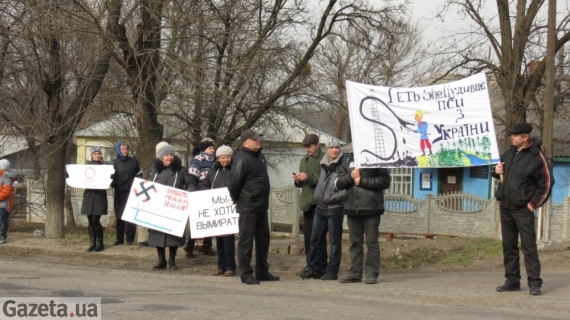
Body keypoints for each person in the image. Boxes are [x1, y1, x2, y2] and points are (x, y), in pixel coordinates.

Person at [492, 123, 553, 296]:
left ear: (525, 138)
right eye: (511, 135)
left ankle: (534, 283)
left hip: (523, 210)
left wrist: (532, 204)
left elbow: (546, 183)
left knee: (528, 246)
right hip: (505, 207)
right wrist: (495, 171)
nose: (511, 137)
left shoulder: (536, 157)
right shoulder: (509, 153)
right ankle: (512, 281)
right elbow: (498, 171)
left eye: (515, 135)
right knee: (509, 246)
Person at [228, 129, 279, 284]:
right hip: (248, 205)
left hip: (261, 205)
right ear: (245, 143)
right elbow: (234, 183)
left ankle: (262, 270)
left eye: (258, 138)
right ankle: (246, 273)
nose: (258, 140)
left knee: (263, 239)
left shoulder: (260, 157)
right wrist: (238, 199)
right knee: (246, 240)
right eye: (254, 139)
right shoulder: (242, 159)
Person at [298, 137, 347, 281]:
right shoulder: (324, 162)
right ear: (327, 149)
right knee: (314, 239)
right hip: (320, 205)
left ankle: (332, 270)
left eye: (336, 148)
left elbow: (346, 185)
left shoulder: (344, 164)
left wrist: (335, 197)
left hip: (335, 207)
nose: (334, 150)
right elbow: (322, 183)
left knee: (334, 241)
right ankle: (314, 267)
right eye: (331, 148)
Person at [336, 156, 390, 284]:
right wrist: (350, 177)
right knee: (355, 243)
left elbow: (385, 181)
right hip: (351, 208)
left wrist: (362, 181)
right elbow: (337, 183)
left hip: (371, 207)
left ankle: (372, 273)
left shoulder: (377, 159)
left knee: (372, 243)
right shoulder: (347, 160)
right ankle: (355, 273)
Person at [147, 144, 192, 270]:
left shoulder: (181, 170)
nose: (169, 158)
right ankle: (161, 260)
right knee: (158, 233)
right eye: (167, 155)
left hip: (174, 207)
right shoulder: (154, 170)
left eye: (171, 155)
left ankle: (172, 261)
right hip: (157, 208)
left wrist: (188, 193)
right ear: (161, 157)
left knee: (173, 235)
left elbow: (189, 183)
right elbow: (148, 184)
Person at [293, 133, 327, 276]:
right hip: (307, 202)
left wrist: (309, 177)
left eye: (309, 146)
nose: (307, 149)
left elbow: (326, 179)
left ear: (317, 145)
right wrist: (298, 180)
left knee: (318, 238)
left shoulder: (324, 158)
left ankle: (320, 267)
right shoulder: (304, 161)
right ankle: (310, 265)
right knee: (308, 237)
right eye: (306, 147)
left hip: (319, 203)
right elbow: (302, 184)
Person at [202, 145, 236, 276]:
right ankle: (220, 265)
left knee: (229, 239)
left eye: (227, 157)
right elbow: (205, 186)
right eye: (222, 157)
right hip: (216, 211)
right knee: (219, 239)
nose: (225, 160)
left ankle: (230, 267)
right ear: (218, 158)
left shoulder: (234, 171)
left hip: (230, 210)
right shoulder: (212, 173)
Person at [185, 138, 217, 256]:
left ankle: (207, 246)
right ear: (204, 149)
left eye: (213, 148)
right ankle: (189, 247)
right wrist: (194, 193)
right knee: (196, 223)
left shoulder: (216, 161)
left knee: (209, 222)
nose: (212, 150)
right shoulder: (197, 161)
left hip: (213, 194)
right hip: (200, 193)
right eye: (210, 148)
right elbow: (191, 179)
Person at [137, 141, 170, 247]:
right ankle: (148, 238)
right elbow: (147, 179)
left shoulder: (171, 166)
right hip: (154, 195)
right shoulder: (154, 165)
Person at [111, 141, 142, 245]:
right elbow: (110, 179)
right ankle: (119, 240)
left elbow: (139, 175)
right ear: (119, 150)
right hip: (120, 193)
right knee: (120, 216)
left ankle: (130, 240)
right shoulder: (114, 163)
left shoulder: (134, 161)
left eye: (126, 149)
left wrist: (135, 185)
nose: (124, 151)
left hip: (132, 193)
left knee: (131, 216)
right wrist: (117, 185)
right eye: (122, 149)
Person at [81, 147, 110, 252]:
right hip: (89, 195)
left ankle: (100, 243)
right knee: (90, 220)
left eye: (98, 153)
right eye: (95, 154)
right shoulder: (86, 167)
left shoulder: (105, 166)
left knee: (95, 219)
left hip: (99, 196)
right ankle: (92, 243)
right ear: (91, 155)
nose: (97, 155)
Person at [0, 159, 13, 244]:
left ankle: (3, 237)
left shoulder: (6, 177)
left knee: (3, 220)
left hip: (4, 204)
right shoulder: (1, 176)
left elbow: (6, 191)